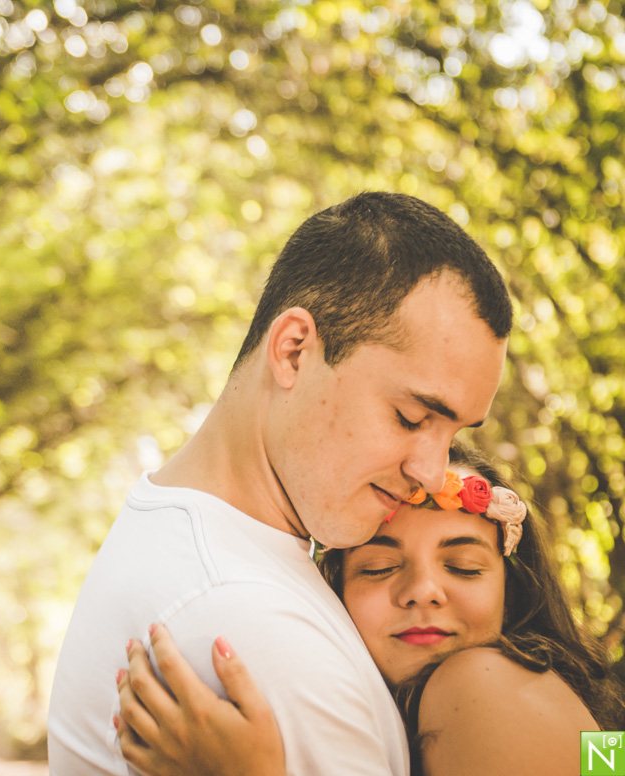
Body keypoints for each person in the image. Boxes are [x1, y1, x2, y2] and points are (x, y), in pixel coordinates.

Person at [47, 191, 514, 775]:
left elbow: (596, 755)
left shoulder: (179, 532)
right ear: (294, 351)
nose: (430, 472)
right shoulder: (253, 630)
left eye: (451, 434)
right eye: (412, 418)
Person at [115, 441, 625, 776]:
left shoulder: (481, 680)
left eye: (465, 567)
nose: (423, 591)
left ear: (512, 590)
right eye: (379, 568)